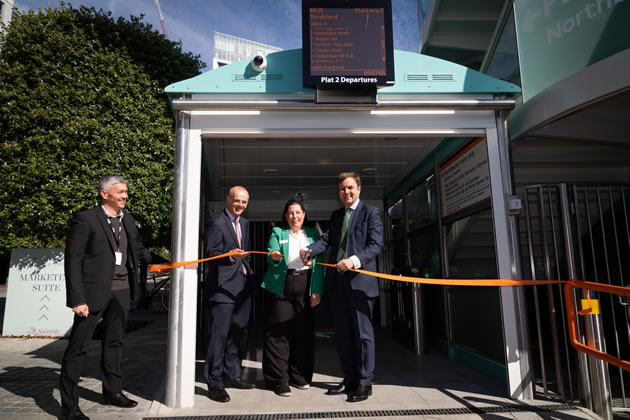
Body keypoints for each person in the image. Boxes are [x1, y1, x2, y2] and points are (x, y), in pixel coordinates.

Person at [59, 176, 151, 420]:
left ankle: (112, 393)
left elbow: (138, 250)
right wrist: (77, 299)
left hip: (121, 292)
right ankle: (69, 407)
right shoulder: (86, 219)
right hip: (91, 295)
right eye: (120, 191)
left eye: (126, 191)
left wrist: (175, 262)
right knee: (77, 349)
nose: (125, 196)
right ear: (104, 194)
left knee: (115, 344)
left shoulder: (127, 220)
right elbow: (73, 261)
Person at [301, 172, 383, 403]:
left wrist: (354, 260)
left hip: (360, 285)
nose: (346, 192)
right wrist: (309, 250)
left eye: (349, 188)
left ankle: (365, 382)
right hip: (337, 285)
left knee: (363, 336)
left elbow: (376, 245)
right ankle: (350, 379)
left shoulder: (371, 213)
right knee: (344, 337)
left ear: (359, 189)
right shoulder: (337, 215)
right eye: (341, 189)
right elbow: (326, 240)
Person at [260, 199, 324, 397]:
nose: (294, 216)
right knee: (279, 333)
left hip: (306, 285)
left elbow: (320, 263)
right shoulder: (278, 233)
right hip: (283, 285)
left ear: (304, 214)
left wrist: (317, 290)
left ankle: (300, 377)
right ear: (285, 216)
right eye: (290, 213)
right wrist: (275, 257)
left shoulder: (313, 234)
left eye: (298, 212)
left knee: (304, 333)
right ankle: (278, 380)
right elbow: (269, 255)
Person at [203, 186, 255, 403]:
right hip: (222, 288)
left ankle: (232, 375)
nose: (240, 205)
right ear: (228, 200)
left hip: (243, 287)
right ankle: (214, 382)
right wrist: (231, 257)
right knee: (219, 337)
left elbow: (247, 253)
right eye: (237, 201)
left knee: (238, 333)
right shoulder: (216, 223)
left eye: (244, 202)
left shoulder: (245, 223)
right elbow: (210, 256)